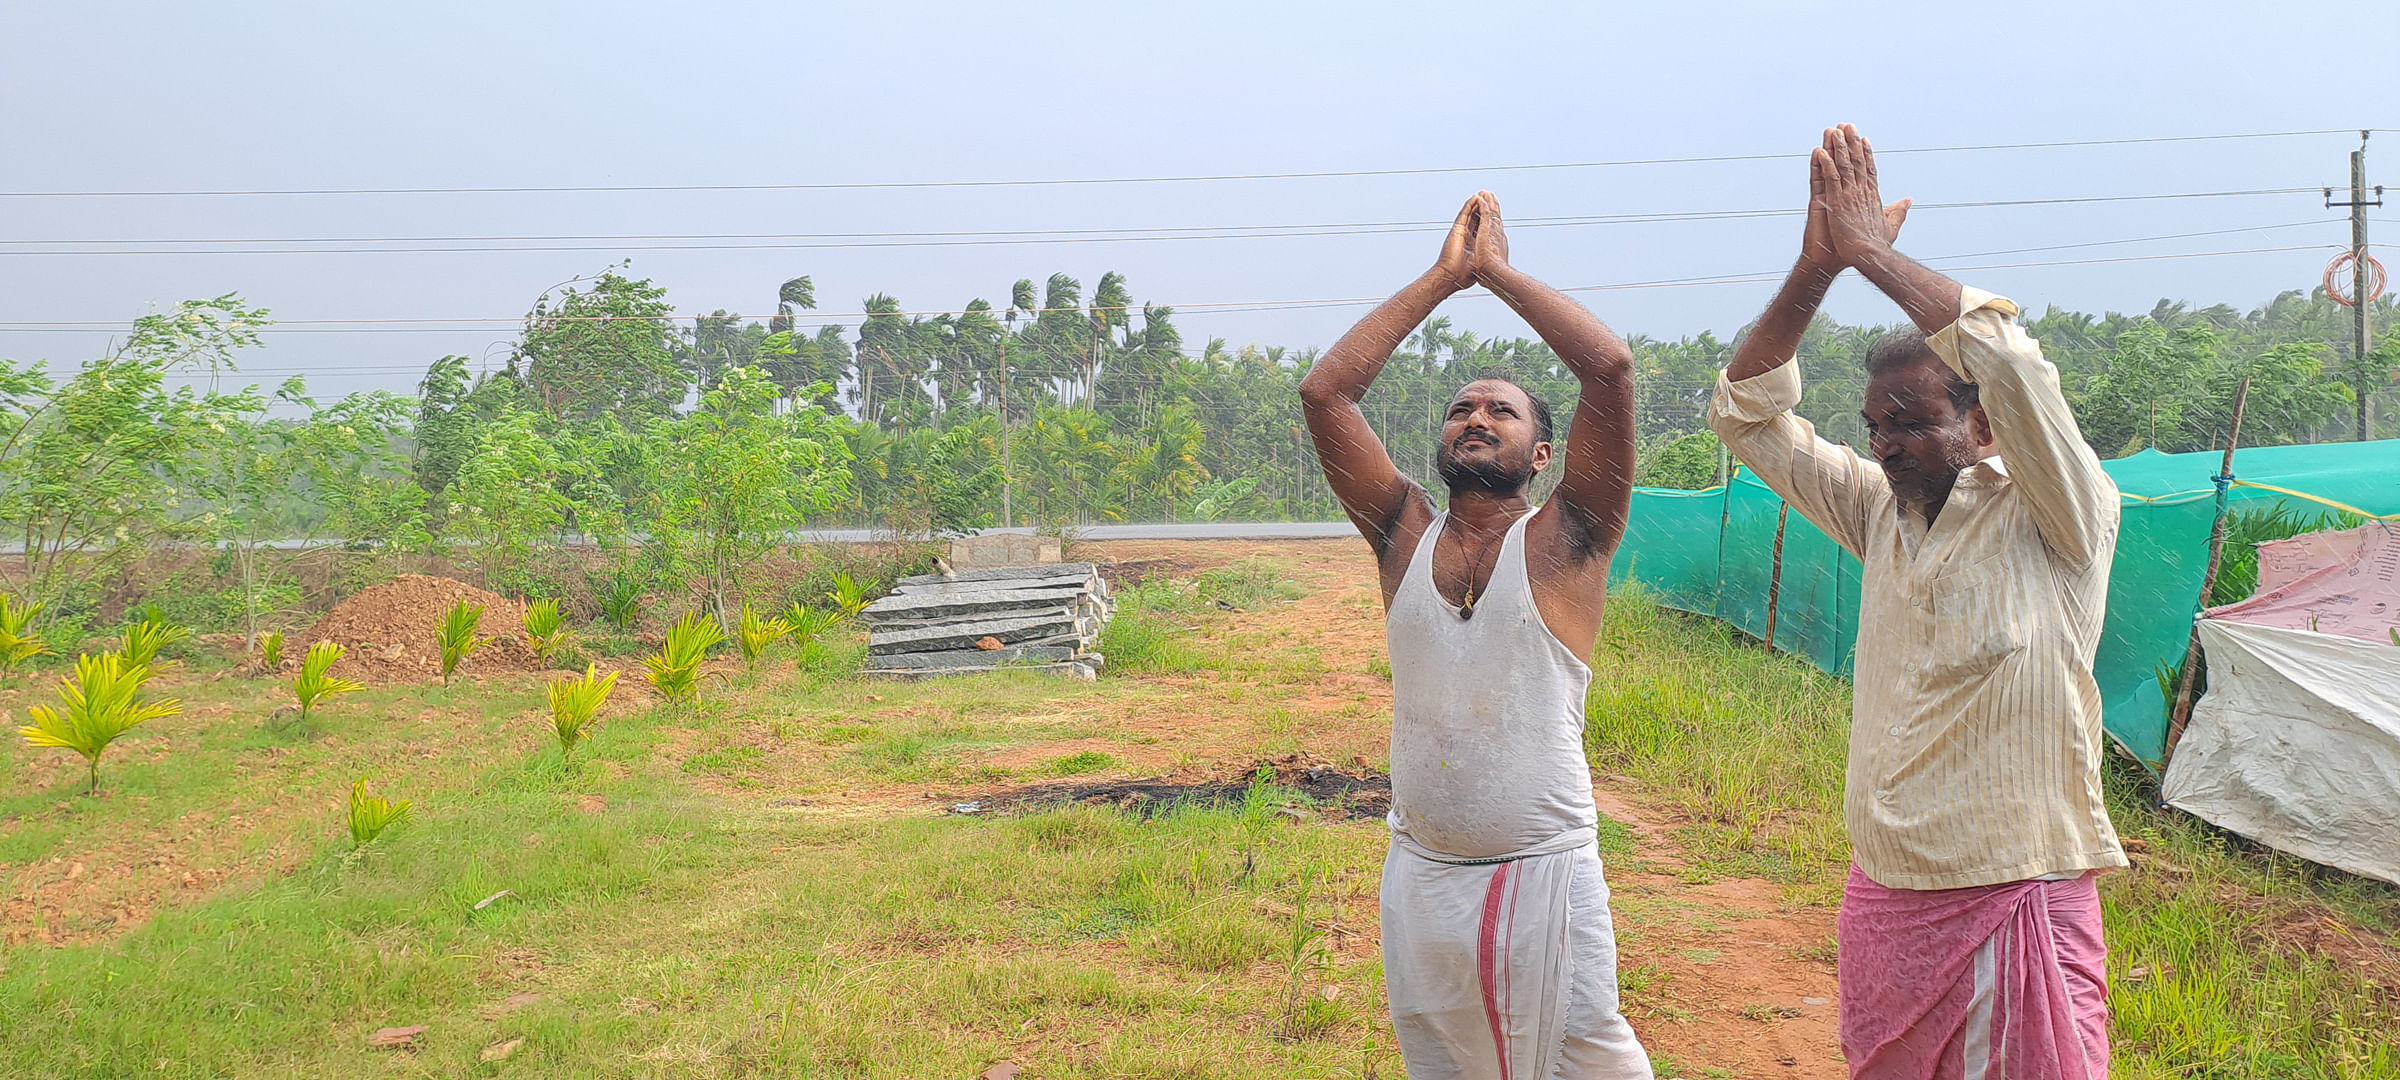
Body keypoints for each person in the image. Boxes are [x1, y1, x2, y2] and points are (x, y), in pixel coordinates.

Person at [1710, 125, 2125, 1079]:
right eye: (1874, 427)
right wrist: (1817, 267)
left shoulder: (2060, 510)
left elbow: (2011, 361)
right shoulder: (1879, 511)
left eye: (1911, 423)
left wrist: (1873, 254)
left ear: (1981, 424)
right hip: (1888, 887)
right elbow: (1743, 411)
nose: (1887, 445)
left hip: (2013, 882)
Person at [1300, 192, 1652, 1079]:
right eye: (1463, 409)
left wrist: (1495, 274)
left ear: (1543, 455)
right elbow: (1325, 391)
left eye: (1502, 411)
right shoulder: (1401, 535)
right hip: (1419, 868)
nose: (1477, 418)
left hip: (1542, 870)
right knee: (1445, 1065)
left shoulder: (1569, 536)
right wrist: (1442, 278)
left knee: (1589, 1059)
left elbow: (1608, 369)